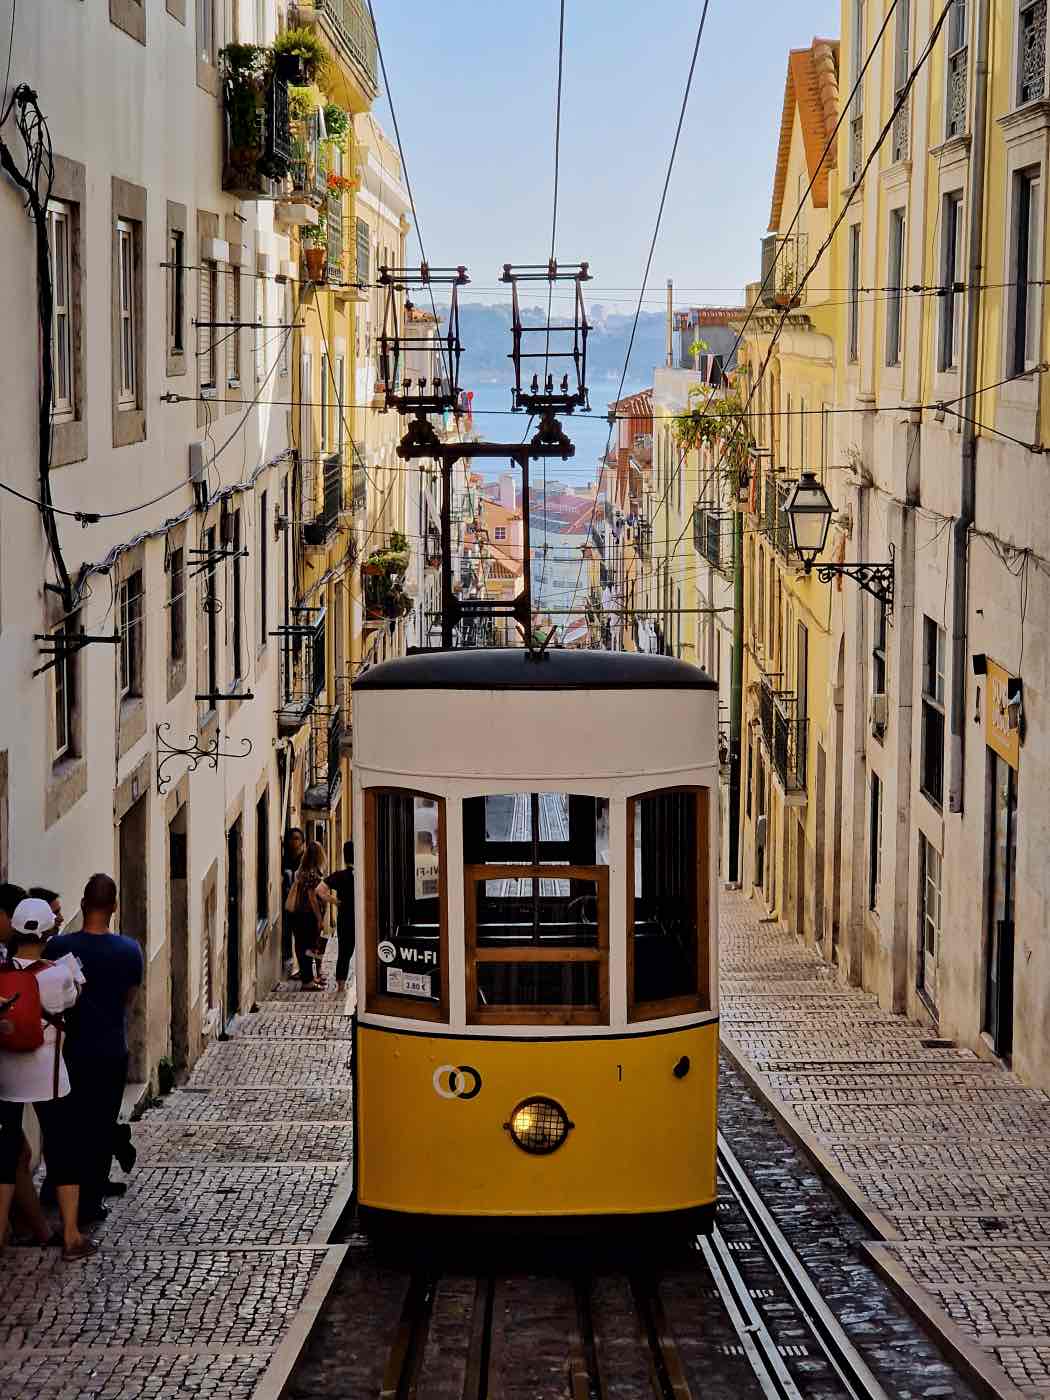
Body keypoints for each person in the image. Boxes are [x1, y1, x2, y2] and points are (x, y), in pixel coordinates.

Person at [44, 874, 143, 1226]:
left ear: (83, 904)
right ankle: (90, 1201)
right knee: (102, 1126)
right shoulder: (130, 951)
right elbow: (128, 1001)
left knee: (71, 1125)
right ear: (114, 908)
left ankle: (63, 1192)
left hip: (70, 1051)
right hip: (111, 1051)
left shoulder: (58, 949)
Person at [0, 898, 96, 1260]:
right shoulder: (58, 974)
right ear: (48, 932)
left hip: (7, 1076)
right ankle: (71, 1236)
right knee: (63, 1150)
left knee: (5, 1153)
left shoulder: (1, 973)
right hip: (49, 1076)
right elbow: (73, 1000)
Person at [285, 842, 336, 990]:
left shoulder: (301, 871)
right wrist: (319, 918)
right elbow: (313, 898)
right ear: (319, 856)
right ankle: (307, 982)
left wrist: (335, 901)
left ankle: (309, 977)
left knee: (302, 946)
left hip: (297, 915)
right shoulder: (312, 874)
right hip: (307, 916)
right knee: (308, 947)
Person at [325, 841, 356, 993]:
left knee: (344, 952)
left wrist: (335, 902)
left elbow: (319, 890)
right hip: (361, 919)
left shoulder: (340, 876)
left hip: (344, 919)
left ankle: (341, 987)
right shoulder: (364, 874)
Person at [281, 829, 305, 974]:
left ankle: (306, 969)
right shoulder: (285, 859)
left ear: (302, 842)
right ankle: (295, 964)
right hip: (289, 905)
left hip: (302, 906)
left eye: (296, 839)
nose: (293, 841)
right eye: (291, 838)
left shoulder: (305, 860)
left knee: (302, 939)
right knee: (291, 935)